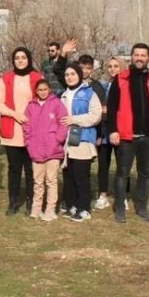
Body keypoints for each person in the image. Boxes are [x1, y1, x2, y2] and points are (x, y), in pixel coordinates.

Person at [105, 44, 149, 224]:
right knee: (122, 173)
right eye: (136, 55)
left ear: (148, 58)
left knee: (145, 174)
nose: (140, 58)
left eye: (143, 55)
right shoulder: (120, 79)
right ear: (131, 58)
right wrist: (112, 130)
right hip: (127, 137)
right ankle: (120, 209)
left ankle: (142, 207)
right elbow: (111, 109)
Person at [0, 47, 41, 216]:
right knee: (14, 168)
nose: (20, 60)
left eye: (23, 57)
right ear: (13, 60)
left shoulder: (37, 77)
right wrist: (15, 114)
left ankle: (30, 201)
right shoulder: (5, 78)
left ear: (28, 59)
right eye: (17, 58)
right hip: (12, 130)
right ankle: (13, 201)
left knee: (30, 169)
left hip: (31, 131)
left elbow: (43, 101)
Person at [58, 63, 102, 222]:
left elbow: (95, 115)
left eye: (73, 74)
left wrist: (74, 120)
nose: (69, 77)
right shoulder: (63, 95)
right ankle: (71, 205)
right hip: (67, 142)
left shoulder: (89, 93)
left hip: (83, 140)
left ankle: (84, 208)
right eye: (67, 75)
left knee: (80, 176)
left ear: (79, 75)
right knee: (68, 175)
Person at [24, 79, 67, 221]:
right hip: (36, 149)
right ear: (36, 91)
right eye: (40, 90)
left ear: (49, 89)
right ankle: (36, 209)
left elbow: (63, 123)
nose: (42, 92)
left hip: (52, 150)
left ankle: (50, 209)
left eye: (45, 89)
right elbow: (26, 127)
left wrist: (58, 139)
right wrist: (29, 143)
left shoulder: (57, 104)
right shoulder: (31, 106)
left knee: (51, 180)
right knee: (38, 181)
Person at [95, 56, 123, 210]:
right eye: (110, 66)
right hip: (105, 130)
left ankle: (122, 196)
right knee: (103, 164)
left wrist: (112, 110)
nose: (113, 69)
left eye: (116, 66)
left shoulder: (126, 86)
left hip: (121, 130)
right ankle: (103, 194)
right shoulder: (104, 86)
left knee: (122, 165)